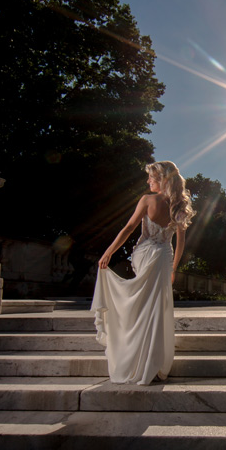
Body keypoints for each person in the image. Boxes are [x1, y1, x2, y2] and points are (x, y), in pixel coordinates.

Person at [91, 161, 195, 385]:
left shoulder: (147, 200)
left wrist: (108, 252)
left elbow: (128, 228)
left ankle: (133, 354)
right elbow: (180, 244)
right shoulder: (177, 205)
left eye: (151, 178)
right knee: (156, 308)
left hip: (146, 253)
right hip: (164, 258)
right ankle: (151, 364)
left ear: (162, 179)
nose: (148, 182)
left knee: (139, 305)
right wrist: (174, 268)